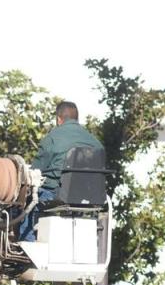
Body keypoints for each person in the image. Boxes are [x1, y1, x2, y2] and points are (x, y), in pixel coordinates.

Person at [21, 101, 106, 240]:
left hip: (57, 194)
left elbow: (35, 172)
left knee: (24, 201)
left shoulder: (52, 139)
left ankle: (26, 251)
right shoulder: (96, 143)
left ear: (58, 119)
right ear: (77, 119)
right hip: (90, 197)